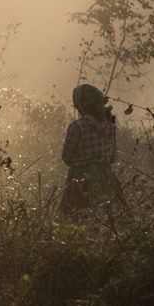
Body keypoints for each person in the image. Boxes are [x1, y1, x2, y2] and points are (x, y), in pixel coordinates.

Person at [61, 83, 124, 220]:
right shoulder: (110, 126)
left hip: (80, 178)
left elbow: (66, 157)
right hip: (106, 177)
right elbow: (112, 157)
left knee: (75, 217)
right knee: (106, 218)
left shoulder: (76, 127)